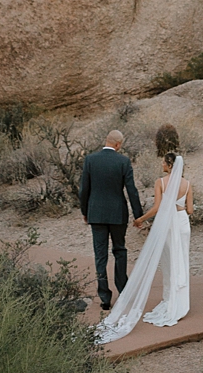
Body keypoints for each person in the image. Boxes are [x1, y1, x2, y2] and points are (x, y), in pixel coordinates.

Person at [94, 146, 193, 343]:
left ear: (170, 165)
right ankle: (180, 304)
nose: (162, 164)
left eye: (164, 162)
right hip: (182, 224)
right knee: (182, 261)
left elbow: (157, 208)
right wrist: (178, 209)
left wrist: (140, 219)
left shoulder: (161, 183)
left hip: (168, 225)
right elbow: (190, 210)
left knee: (167, 263)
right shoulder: (188, 184)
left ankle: (169, 300)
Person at [77, 130, 143, 313]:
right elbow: (132, 190)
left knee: (100, 256)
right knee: (120, 250)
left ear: (106, 141)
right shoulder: (123, 161)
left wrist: (85, 211)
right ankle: (124, 291)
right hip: (117, 214)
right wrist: (138, 215)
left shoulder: (90, 160)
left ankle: (105, 298)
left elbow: (84, 190)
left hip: (96, 214)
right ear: (118, 144)